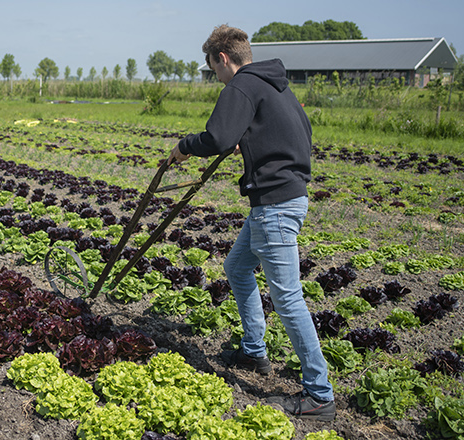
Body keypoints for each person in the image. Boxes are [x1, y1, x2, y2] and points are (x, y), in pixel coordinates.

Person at [168, 24, 333, 421]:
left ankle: (319, 394)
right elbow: (298, 132)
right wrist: (253, 141)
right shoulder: (276, 85)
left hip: (275, 206)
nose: (217, 77)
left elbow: (217, 138)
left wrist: (182, 148)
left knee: (287, 297)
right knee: (237, 267)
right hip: (284, 198)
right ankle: (254, 350)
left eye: (214, 69)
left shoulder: (241, 86)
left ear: (223, 58)